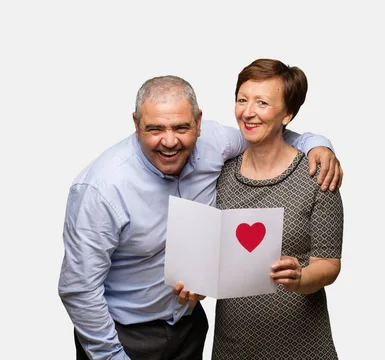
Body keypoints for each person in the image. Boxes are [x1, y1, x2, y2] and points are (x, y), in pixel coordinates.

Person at [58, 74, 343, 360]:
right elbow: (79, 288)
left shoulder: (215, 143)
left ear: (198, 122)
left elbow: (267, 133)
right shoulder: (101, 188)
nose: (169, 141)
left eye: (181, 127)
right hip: (124, 335)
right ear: (135, 124)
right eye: (155, 129)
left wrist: (317, 144)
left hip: (190, 330)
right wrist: (111, 356)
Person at [174, 58, 344, 359]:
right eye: (242, 100)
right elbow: (216, 256)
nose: (248, 112)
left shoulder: (317, 173)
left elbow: (329, 263)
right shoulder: (220, 174)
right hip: (233, 346)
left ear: (287, 113)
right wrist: (198, 283)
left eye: (262, 103)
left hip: (303, 346)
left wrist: (301, 278)